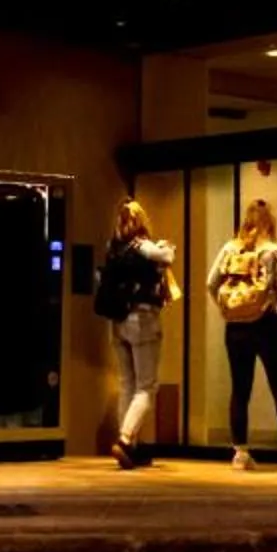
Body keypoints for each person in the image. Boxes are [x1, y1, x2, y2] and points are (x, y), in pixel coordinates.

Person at [207, 197, 277, 470]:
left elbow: (210, 282)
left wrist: (228, 308)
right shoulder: (276, 252)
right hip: (267, 325)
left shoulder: (230, 248)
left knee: (240, 389)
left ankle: (240, 452)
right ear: (269, 222)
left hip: (235, 328)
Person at [93, 198, 176, 468]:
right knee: (146, 387)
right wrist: (165, 246)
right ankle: (127, 440)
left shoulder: (113, 248)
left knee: (127, 383)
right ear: (141, 221)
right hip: (142, 319)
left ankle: (133, 447)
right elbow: (167, 257)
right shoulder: (141, 246)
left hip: (117, 322)